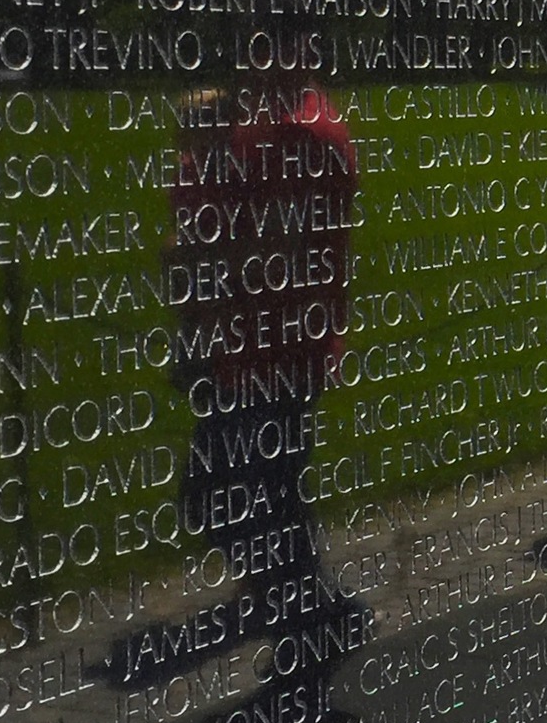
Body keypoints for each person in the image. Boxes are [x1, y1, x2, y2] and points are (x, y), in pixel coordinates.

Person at [101, 75, 366, 689]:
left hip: (270, 350)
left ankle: (311, 624)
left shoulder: (287, 143)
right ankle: (318, 614)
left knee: (230, 497)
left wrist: (197, 263)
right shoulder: (251, 151)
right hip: (248, 348)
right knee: (267, 494)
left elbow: (255, 250)